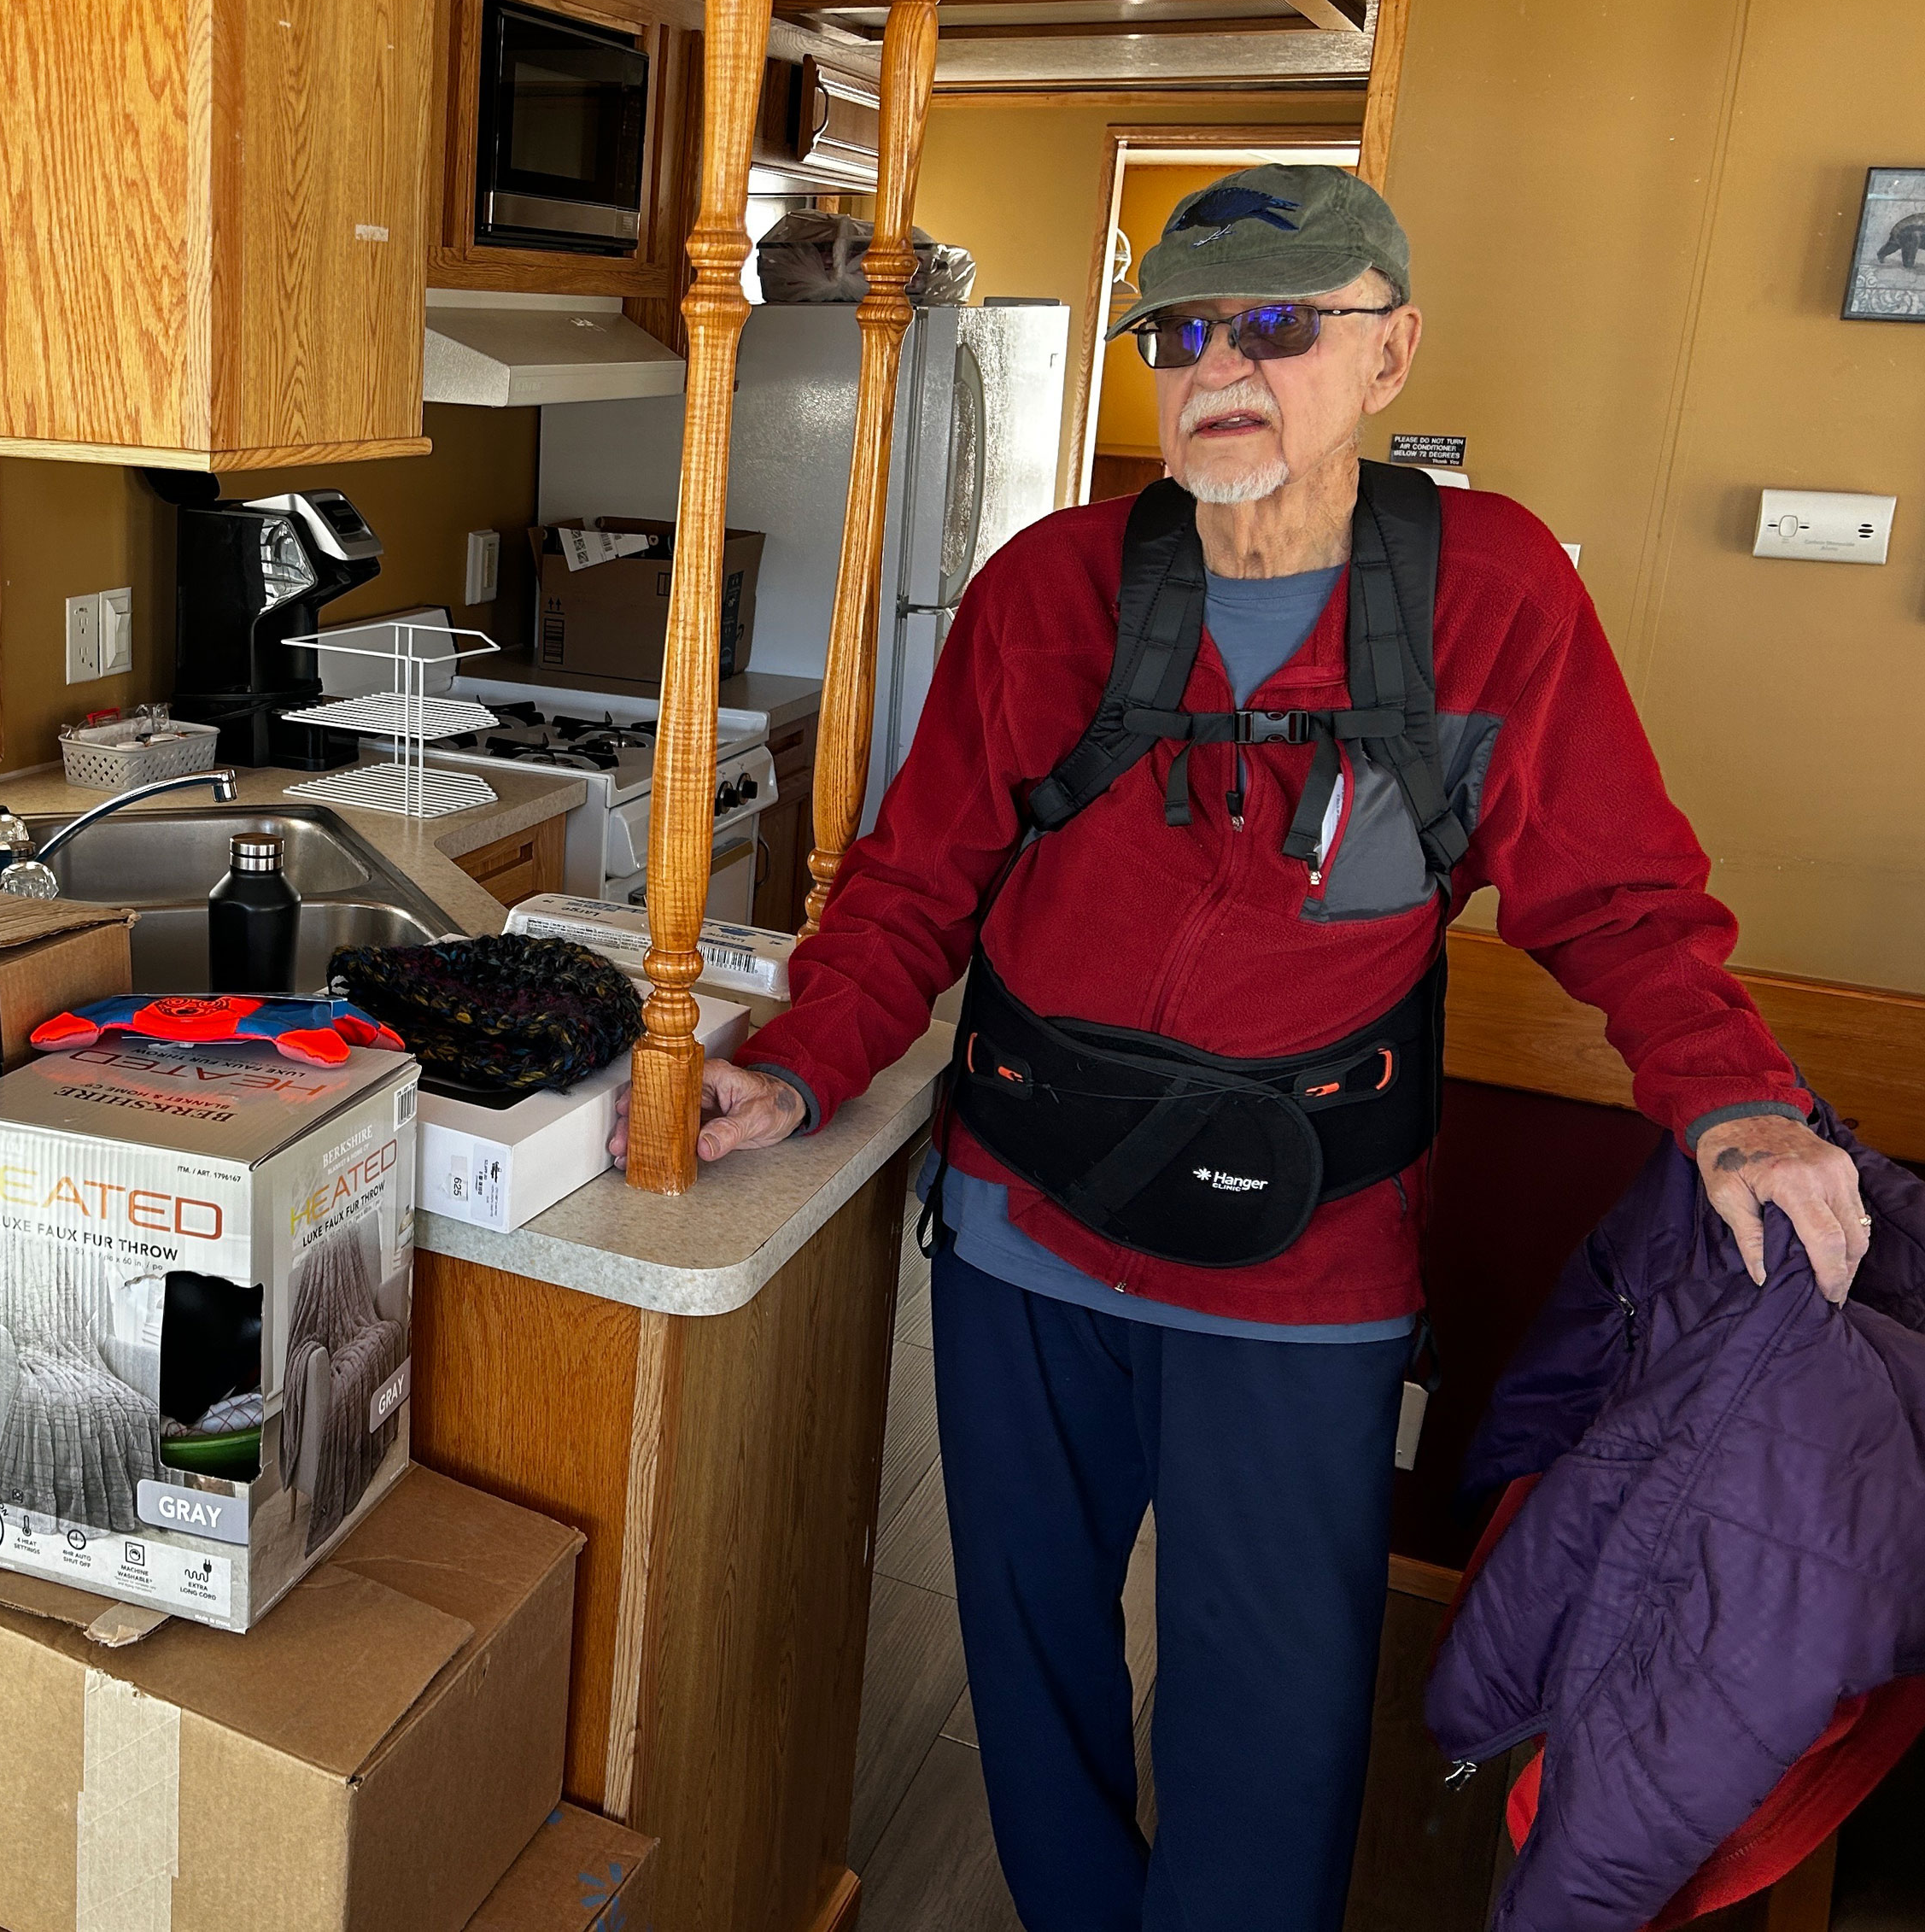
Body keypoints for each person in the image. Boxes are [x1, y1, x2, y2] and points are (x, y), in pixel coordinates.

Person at [613, 164, 1872, 1932]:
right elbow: (914, 879)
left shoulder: (1492, 591)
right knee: (1028, 1661)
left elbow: (1625, 903)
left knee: (1267, 1701)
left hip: (1302, 1273)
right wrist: (805, 1060)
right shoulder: (1046, 587)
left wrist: (1734, 1102)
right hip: (1018, 1232)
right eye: (1184, 329)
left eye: (1281, 325)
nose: (1223, 363)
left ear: (1388, 352)